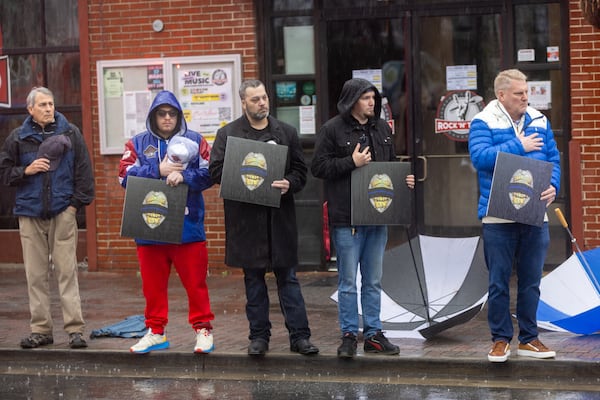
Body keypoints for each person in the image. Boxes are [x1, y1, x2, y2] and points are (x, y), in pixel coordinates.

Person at [208, 79, 319, 357]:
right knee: (253, 281)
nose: (262, 103)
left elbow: (300, 172)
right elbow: (215, 171)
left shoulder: (287, 132)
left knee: (288, 280)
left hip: (279, 219)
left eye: (264, 97)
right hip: (247, 221)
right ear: (243, 102)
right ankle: (259, 337)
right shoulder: (228, 134)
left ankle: (300, 336)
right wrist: (241, 175)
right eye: (255, 99)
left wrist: (289, 184)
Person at [311, 78, 415, 359]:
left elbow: (388, 163)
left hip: (377, 215)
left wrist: (401, 179)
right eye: (366, 97)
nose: (372, 102)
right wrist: (351, 163)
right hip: (347, 218)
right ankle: (348, 334)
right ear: (352, 100)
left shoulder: (382, 128)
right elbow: (318, 167)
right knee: (347, 281)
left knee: (373, 280)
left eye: (374, 98)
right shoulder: (332, 129)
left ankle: (373, 334)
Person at [468, 69, 561, 363]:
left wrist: (553, 186)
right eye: (519, 93)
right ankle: (500, 340)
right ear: (501, 95)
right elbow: (479, 158)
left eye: (526, 92)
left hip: (534, 212)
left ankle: (529, 339)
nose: (525, 97)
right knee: (498, 282)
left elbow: (553, 159)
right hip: (498, 214)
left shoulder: (539, 120)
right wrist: (517, 145)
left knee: (532, 280)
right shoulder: (484, 120)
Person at [118, 90, 215, 354]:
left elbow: (210, 173)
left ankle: (203, 329)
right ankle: (156, 331)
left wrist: (185, 178)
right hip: (149, 224)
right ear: (153, 116)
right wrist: (157, 171)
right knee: (152, 285)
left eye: (172, 113)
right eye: (162, 114)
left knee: (195, 283)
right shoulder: (137, 143)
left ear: (179, 116)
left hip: (188, 225)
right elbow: (123, 176)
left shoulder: (195, 140)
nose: (168, 118)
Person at [0, 86, 94, 349]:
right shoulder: (18, 138)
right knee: (35, 275)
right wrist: (25, 170)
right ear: (30, 109)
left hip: (63, 211)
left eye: (50, 104)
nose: (48, 109)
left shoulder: (71, 133)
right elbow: (4, 173)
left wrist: (74, 207)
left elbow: (84, 175)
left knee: (67, 272)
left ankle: (75, 330)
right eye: (42, 105)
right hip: (29, 214)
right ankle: (41, 330)